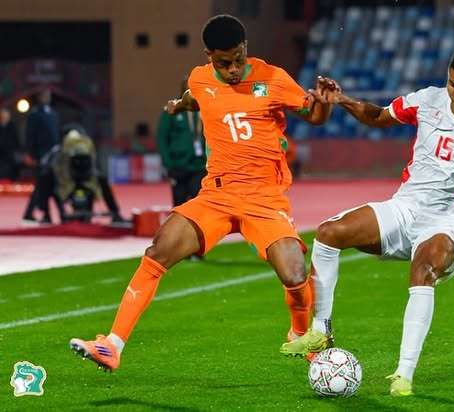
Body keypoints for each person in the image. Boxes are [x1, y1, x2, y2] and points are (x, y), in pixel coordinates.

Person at [69, 14, 333, 371]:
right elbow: (198, 96)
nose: (233, 69)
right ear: (209, 56)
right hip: (216, 196)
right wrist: (180, 105)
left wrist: (324, 103)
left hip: (263, 198)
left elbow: (313, 115)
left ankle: (301, 334)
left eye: (238, 58)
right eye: (224, 63)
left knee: (295, 272)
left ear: (245, 48)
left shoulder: (273, 78)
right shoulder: (200, 78)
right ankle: (112, 345)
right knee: (158, 250)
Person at [280, 48, 454, 396]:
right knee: (329, 233)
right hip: (404, 209)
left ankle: (403, 374)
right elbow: (379, 116)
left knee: (422, 271)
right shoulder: (427, 100)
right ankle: (321, 329)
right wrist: (342, 100)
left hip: (446, 223)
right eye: (453, 84)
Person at [156, 79, 207, 208]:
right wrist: (168, 164)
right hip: (178, 166)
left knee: (199, 206)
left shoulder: (205, 108)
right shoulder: (172, 108)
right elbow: (162, 138)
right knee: (179, 206)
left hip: (199, 166)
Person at [22, 88, 64, 224]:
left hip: (54, 155)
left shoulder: (53, 113)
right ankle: (54, 214)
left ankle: (44, 214)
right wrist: (30, 154)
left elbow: (57, 133)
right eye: (45, 95)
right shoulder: (34, 114)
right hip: (41, 155)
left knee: (47, 185)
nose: (47, 97)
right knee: (43, 185)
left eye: (48, 95)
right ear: (40, 97)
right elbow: (30, 136)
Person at [0, 107, 21, 181]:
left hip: (10, 159)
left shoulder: (13, 127)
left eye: (6, 117)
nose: (4, 118)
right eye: (2, 117)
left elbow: (16, 142)